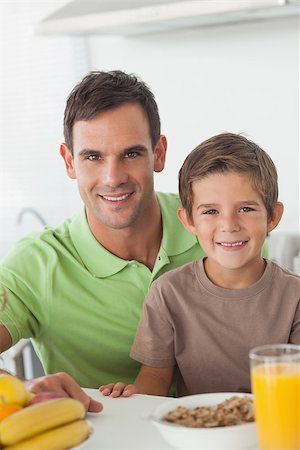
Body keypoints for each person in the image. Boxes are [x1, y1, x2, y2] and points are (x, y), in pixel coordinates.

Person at [0, 70, 217, 410]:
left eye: (131, 154)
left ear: (158, 153)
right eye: (93, 157)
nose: (112, 178)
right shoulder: (35, 264)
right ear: (69, 161)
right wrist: (24, 387)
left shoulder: (220, 230)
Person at [99, 132, 300, 399]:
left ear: (273, 216)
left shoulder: (294, 296)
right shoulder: (168, 293)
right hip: (197, 434)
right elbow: (155, 376)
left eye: (246, 209)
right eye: (210, 211)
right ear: (188, 221)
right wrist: (132, 397)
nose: (229, 225)